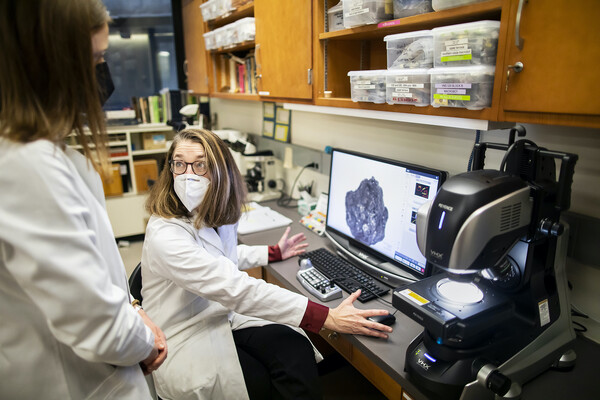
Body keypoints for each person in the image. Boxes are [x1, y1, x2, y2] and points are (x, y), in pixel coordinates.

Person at [141, 128, 394, 400]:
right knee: (260, 383)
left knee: (294, 348)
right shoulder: (165, 234)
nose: (188, 174)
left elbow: (220, 259)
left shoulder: (208, 212)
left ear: (220, 171)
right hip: (187, 334)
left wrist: (272, 253)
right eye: (179, 163)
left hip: (219, 315)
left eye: (200, 164)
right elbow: (233, 286)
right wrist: (328, 317)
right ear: (170, 169)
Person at [0, 1, 166, 398]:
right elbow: (97, 325)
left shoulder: (44, 155)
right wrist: (144, 341)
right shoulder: (26, 165)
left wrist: (131, 307)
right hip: (80, 382)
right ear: (51, 64)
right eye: (94, 59)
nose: (101, 74)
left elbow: (92, 269)